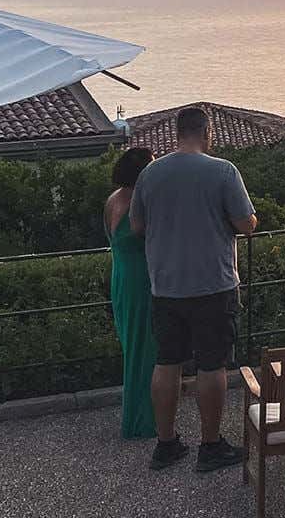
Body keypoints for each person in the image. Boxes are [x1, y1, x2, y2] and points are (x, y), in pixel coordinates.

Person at [130, 107, 258, 472]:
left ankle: (166, 444)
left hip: (165, 286)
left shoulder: (150, 174)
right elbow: (246, 224)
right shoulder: (223, 171)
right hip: (213, 285)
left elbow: (137, 226)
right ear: (207, 132)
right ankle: (210, 445)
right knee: (211, 364)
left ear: (177, 133)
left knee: (167, 362)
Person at [105, 147, 159, 439]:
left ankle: (140, 415)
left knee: (134, 348)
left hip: (121, 279)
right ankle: (141, 421)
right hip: (142, 281)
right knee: (145, 350)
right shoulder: (141, 203)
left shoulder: (112, 200)